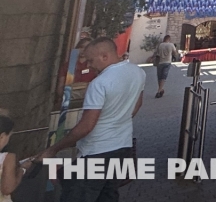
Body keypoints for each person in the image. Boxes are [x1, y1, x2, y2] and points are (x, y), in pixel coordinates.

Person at [35, 37, 146, 202]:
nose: (88, 65)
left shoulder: (99, 83)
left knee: (77, 196)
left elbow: (87, 126)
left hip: (97, 151)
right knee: (107, 196)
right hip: (123, 146)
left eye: (90, 60)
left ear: (104, 56)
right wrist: (116, 121)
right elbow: (136, 106)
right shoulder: (138, 72)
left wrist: (54, 149)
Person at [1, 112, 25, 202]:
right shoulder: (7, 158)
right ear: (2, 136)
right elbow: (7, 189)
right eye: (9, 135)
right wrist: (22, 170)